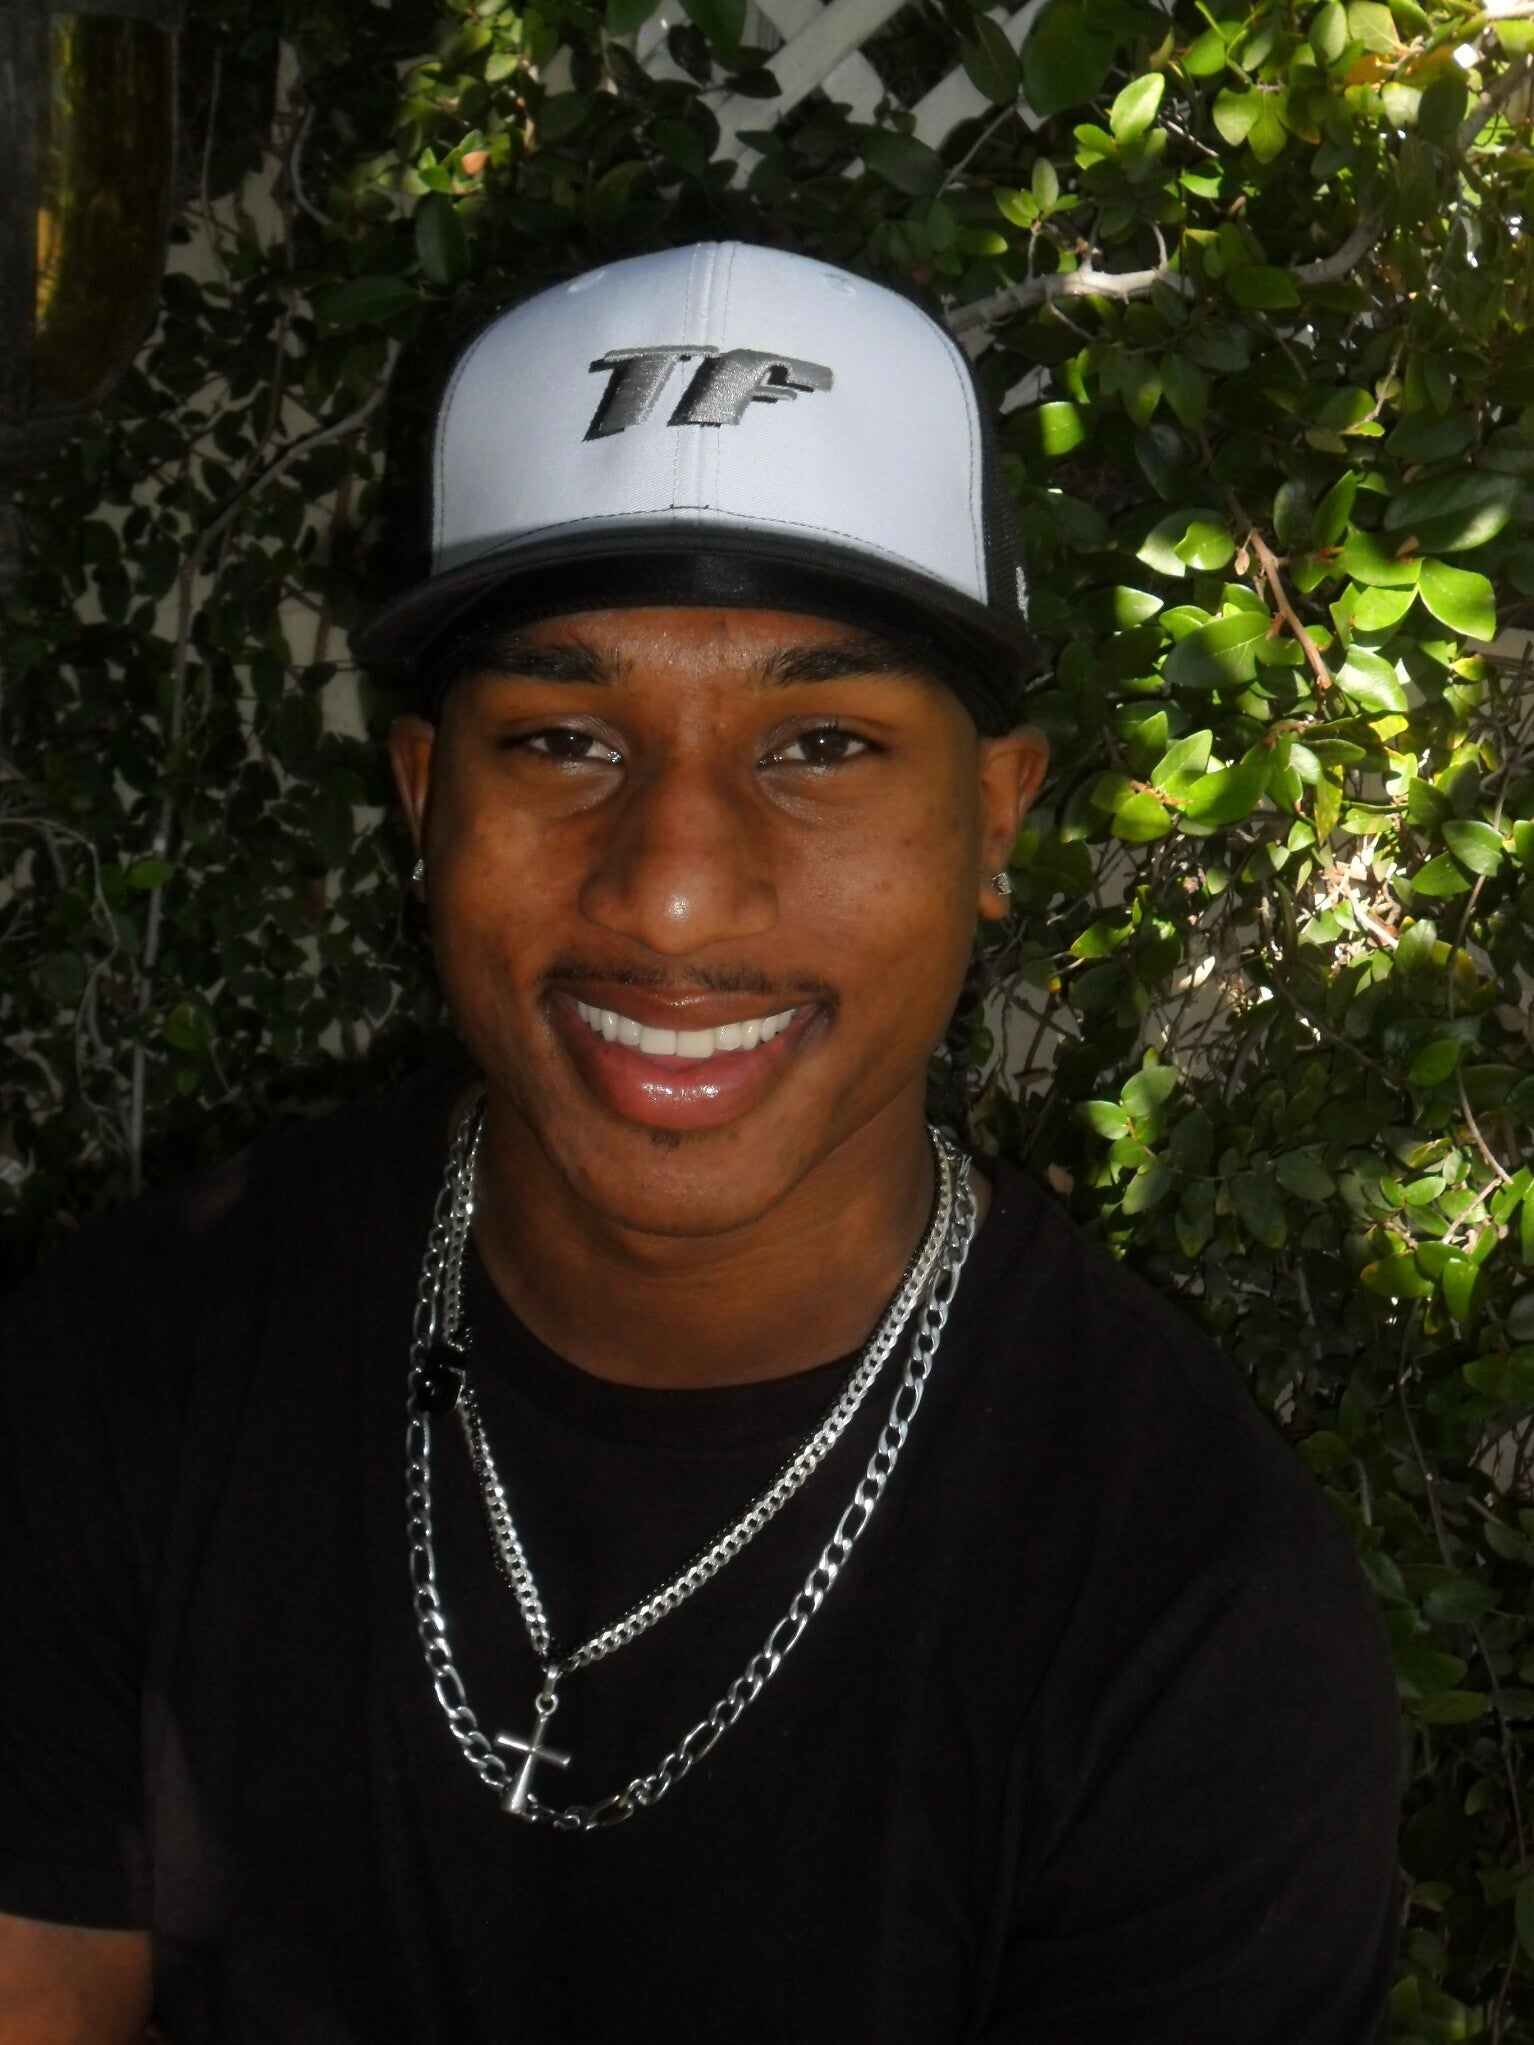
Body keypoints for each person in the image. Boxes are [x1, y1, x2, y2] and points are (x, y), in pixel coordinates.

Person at [0, 240, 1399, 2043]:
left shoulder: (1188, 1600)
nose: (669, 893)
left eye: (817, 743)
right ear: (424, 799)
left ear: (991, 818)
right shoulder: (131, 1366)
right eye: (562, 739)